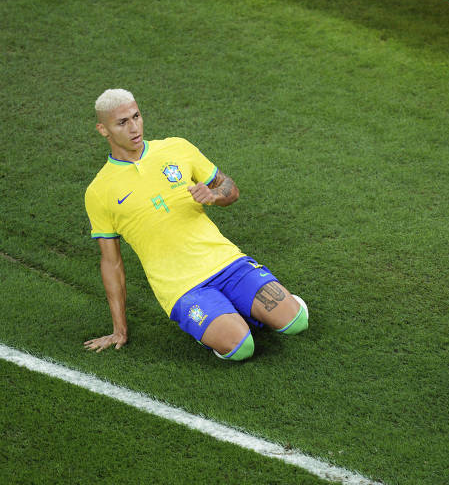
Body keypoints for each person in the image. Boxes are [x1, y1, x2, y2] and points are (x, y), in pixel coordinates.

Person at [83, 88, 308, 361]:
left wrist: (214, 196)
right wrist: (119, 330)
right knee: (240, 348)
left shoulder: (177, 148)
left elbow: (230, 188)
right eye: (122, 122)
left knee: (296, 323)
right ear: (103, 129)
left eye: (137, 116)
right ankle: (226, 323)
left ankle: (252, 310)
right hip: (182, 288)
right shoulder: (99, 191)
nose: (134, 127)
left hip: (228, 264)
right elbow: (111, 263)